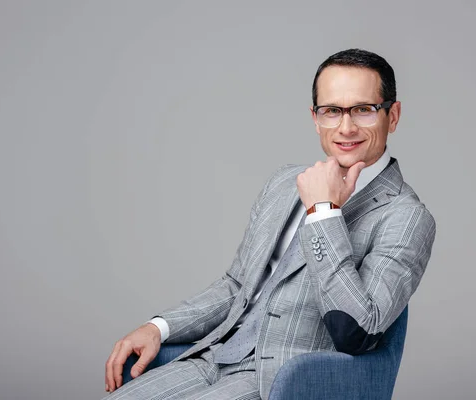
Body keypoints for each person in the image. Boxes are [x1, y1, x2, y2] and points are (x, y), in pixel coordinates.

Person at [102, 48, 436, 400]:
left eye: (364, 110)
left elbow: (357, 329)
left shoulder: (407, 217)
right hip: (212, 358)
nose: (346, 127)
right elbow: (236, 287)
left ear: (393, 115)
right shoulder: (284, 183)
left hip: (282, 382)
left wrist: (324, 211)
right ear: (315, 117)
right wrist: (159, 327)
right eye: (332, 111)